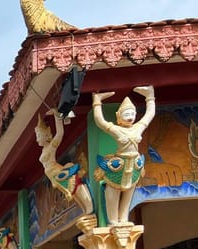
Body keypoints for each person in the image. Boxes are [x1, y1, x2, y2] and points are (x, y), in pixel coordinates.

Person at [92, 85, 156, 225]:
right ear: (119, 117)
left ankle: (124, 219)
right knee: (113, 191)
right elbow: (99, 121)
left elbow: (150, 114)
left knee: (129, 193)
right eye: (127, 114)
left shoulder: (137, 127)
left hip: (134, 166)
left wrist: (150, 96)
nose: (130, 117)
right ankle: (113, 220)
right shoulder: (117, 130)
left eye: (132, 114)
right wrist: (97, 101)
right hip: (118, 167)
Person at [35, 108, 94, 215]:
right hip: (54, 177)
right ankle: (86, 210)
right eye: (37, 136)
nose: (37, 139)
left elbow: (60, 133)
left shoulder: (51, 146)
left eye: (39, 135)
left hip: (57, 172)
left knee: (74, 187)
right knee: (72, 193)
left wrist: (56, 116)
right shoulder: (44, 149)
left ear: (47, 135)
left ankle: (89, 205)